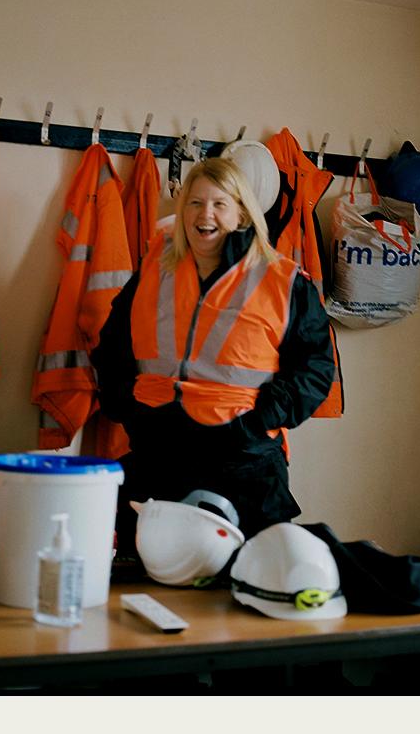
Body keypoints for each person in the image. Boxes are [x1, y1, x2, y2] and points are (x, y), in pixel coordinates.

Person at [91, 156, 336, 555]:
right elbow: (112, 346)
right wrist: (128, 409)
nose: (205, 215)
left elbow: (315, 369)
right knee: (146, 585)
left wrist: (260, 422)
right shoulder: (155, 267)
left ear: (241, 211)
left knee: (241, 593)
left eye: (219, 204)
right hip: (158, 454)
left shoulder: (283, 280)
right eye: (194, 202)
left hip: (243, 461)